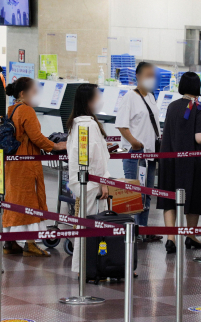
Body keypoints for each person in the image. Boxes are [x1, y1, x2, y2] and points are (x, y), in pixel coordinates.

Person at [2, 77, 66, 256]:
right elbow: (36, 137)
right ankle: (30, 243)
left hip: (13, 162)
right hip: (27, 162)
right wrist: (55, 146)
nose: (37, 95)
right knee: (30, 199)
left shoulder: (11, 109)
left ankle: (10, 243)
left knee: (13, 199)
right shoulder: (26, 110)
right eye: (34, 91)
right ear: (23, 94)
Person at [157, 72, 201, 253]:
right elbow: (199, 138)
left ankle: (171, 238)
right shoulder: (198, 107)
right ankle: (190, 235)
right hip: (190, 160)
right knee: (193, 197)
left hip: (169, 160)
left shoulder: (171, 106)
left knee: (169, 198)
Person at [114, 62, 163, 242]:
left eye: (153, 75)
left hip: (149, 155)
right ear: (138, 77)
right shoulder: (129, 97)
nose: (152, 78)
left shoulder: (150, 96)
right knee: (133, 194)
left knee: (146, 194)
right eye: (148, 75)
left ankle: (142, 230)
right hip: (135, 154)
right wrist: (135, 144)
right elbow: (121, 124)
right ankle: (130, 232)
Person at [66, 83, 110, 273]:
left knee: (83, 225)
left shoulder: (75, 123)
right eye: (97, 96)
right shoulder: (89, 125)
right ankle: (90, 265)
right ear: (89, 101)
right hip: (92, 183)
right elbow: (96, 158)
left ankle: (82, 265)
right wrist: (104, 182)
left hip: (81, 182)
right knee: (93, 227)